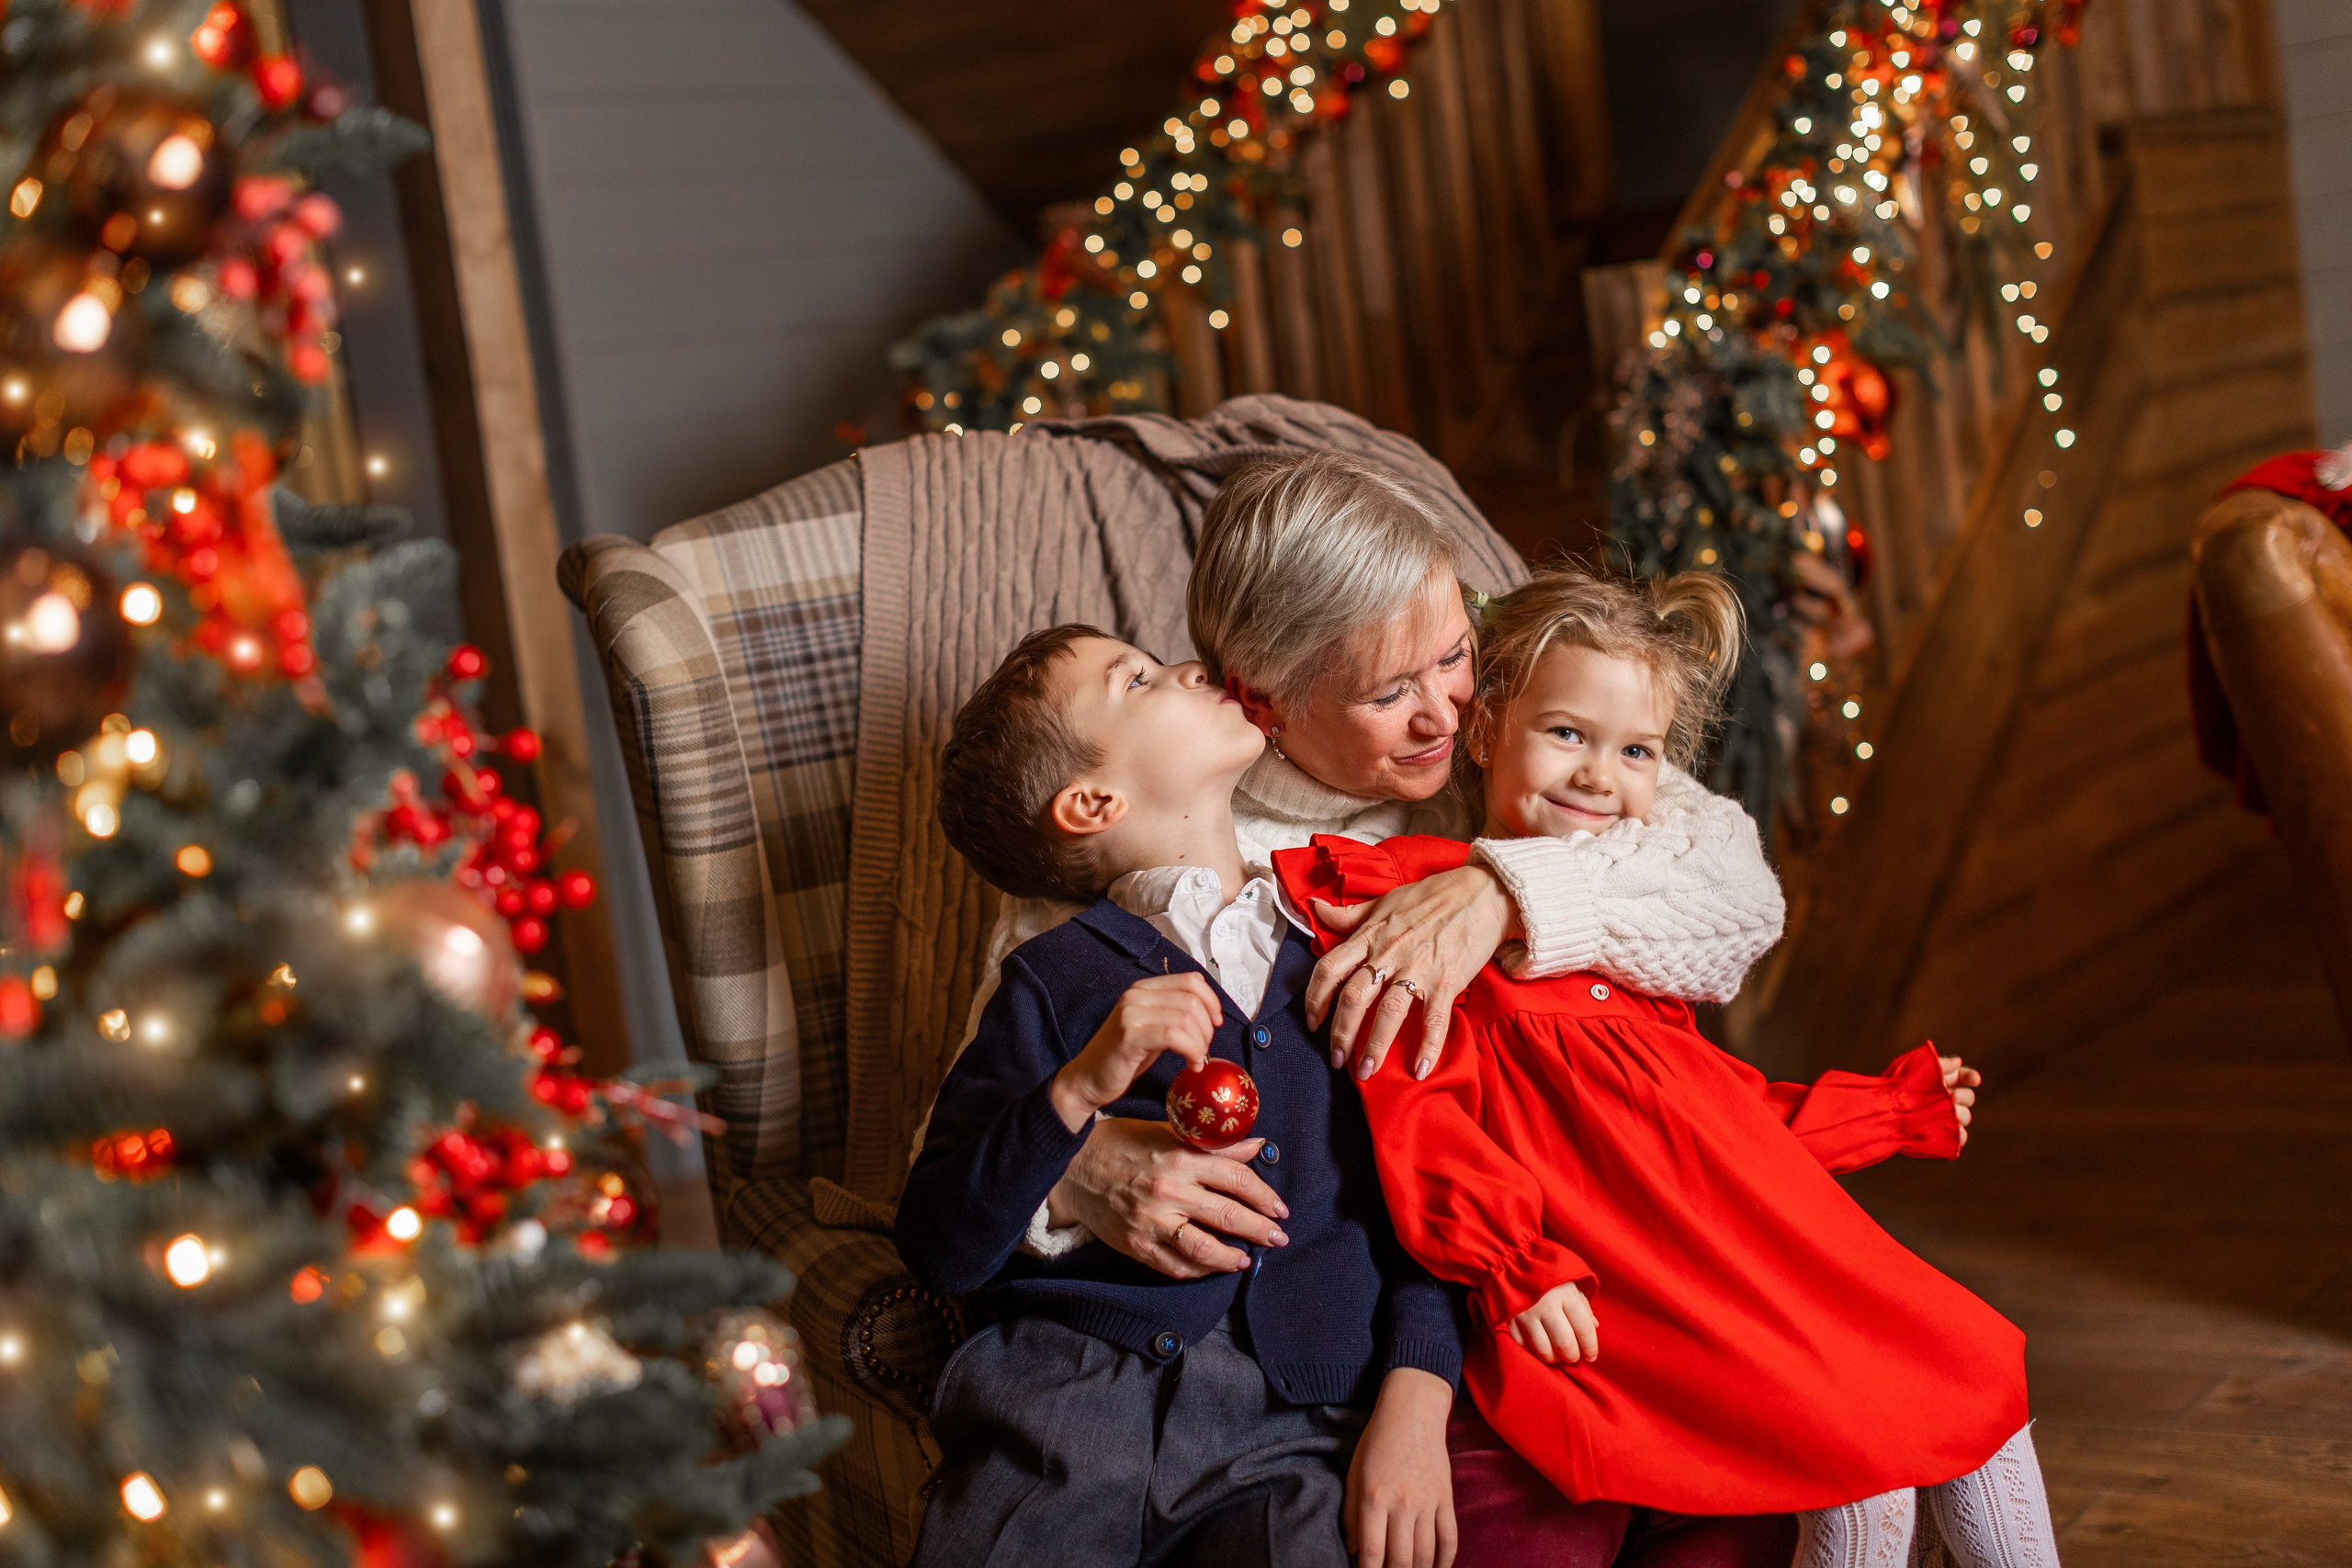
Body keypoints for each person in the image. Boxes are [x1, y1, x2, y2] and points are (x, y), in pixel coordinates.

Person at [918, 450, 1794, 1565]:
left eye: (1453, 654)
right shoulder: (1164, 866)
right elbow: (962, 1140)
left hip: (1602, 1226)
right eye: (1390, 693)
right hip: (1420, 1295)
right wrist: (1086, 1166)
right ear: (1261, 701)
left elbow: (1737, 898)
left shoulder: (1520, 722)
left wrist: (1501, 891)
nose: (1443, 713)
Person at [1272, 569, 2061, 1567]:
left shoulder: (1614, 940)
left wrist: (1882, 1114)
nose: (1600, 775)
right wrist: (1513, 1261)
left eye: (1634, 751)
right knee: (1873, 1439)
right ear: (1485, 733)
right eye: (1566, 734)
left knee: (1965, 1377)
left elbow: (1710, 1121)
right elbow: (1420, 1121)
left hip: (1718, 1259)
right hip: (1616, 1300)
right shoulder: (1430, 916)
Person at [898, 625, 1463, 1568]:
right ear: (1091, 802)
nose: (1188, 670)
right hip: (1065, 1411)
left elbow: (1437, 1200)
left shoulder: (1344, 942)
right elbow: (938, 1242)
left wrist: (1417, 1382)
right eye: (1140, 680)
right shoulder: (1048, 979)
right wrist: (1073, 1097)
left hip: (1295, 1427)